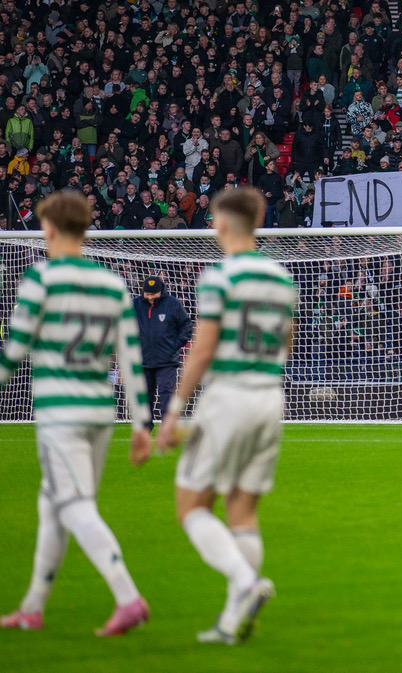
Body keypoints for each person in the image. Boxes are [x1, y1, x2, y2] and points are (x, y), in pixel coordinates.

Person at [143, 188, 296, 644]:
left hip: (229, 395)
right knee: (243, 511)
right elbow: (285, 344)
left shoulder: (219, 276)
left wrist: (173, 411)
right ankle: (232, 621)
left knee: (191, 506)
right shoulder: (281, 278)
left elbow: (204, 348)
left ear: (222, 224)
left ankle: (247, 585)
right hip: (270, 398)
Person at [0, 191, 152, 635]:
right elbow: (130, 357)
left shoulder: (40, 279)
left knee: (74, 505)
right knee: (53, 505)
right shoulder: (112, 283)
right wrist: (141, 422)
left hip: (60, 413)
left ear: (49, 228)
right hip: (100, 413)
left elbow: (13, 353)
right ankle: (32, 607)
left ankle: (128, 597)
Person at [133, 276, 193, 428]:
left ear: (161, 292)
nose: (151, 297)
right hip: (143, 360)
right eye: (148, 294)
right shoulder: (135, 305)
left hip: (167, 361)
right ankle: (145, 429)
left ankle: (167, 429)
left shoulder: (172, 304)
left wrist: (175, 345)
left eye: (154, 294)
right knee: (145, 397)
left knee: (167, 395)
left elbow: (186, 326)